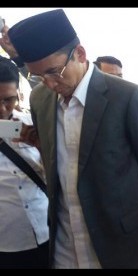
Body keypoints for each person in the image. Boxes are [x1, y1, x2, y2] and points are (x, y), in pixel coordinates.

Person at [8, 9, 138, 268]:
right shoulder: (40, 100)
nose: (48, 83)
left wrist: (125, 212)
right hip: (65, 245)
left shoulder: (127, 97)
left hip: (120, 244)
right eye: (38, 77)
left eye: (54, 72)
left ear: (80, 53)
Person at [0, 56, 49, 268]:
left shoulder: (31, 124)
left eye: (8, 100)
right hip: (8, 244)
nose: (2, 109)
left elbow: (60, 174)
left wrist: (40, 145)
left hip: (49, 232)